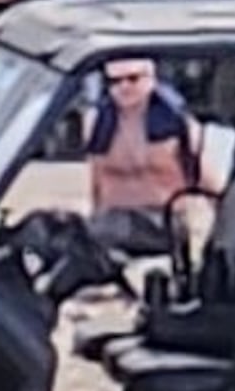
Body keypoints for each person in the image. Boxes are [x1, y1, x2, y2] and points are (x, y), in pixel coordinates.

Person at [85, 58, 208, 253]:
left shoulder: (180, 126)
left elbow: (208, 182)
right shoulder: (96, 124)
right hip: (111, 223)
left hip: (162, 224)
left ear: (151, 79)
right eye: (115, 81)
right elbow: (95, 183)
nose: (124, 87)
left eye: (133, 79)